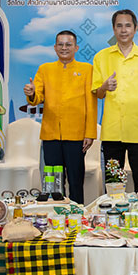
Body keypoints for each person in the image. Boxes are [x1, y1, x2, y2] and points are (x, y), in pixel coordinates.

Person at [24, 30, 96, 203]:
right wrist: (31, 93)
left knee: (76, 180)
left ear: (76, 48)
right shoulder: (45, 69)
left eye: (68, 44)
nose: (64, 48)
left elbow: (91, 104)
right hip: (51, 135)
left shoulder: (87, 69)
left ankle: (77, 212)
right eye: (61, 44)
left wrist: (90, 133)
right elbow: (37, 98)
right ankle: (55, 212)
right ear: (55, 47)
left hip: (77, 135)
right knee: (53, 183)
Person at [92, 9, 138, 192]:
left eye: (128, 26)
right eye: (119, 26)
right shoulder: (101, 57)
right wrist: (104, 86)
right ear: (113, 29)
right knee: (114, 182)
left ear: (135, 29)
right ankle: (115, 209)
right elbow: (98, 94)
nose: (124, 30)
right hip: (112, 132)